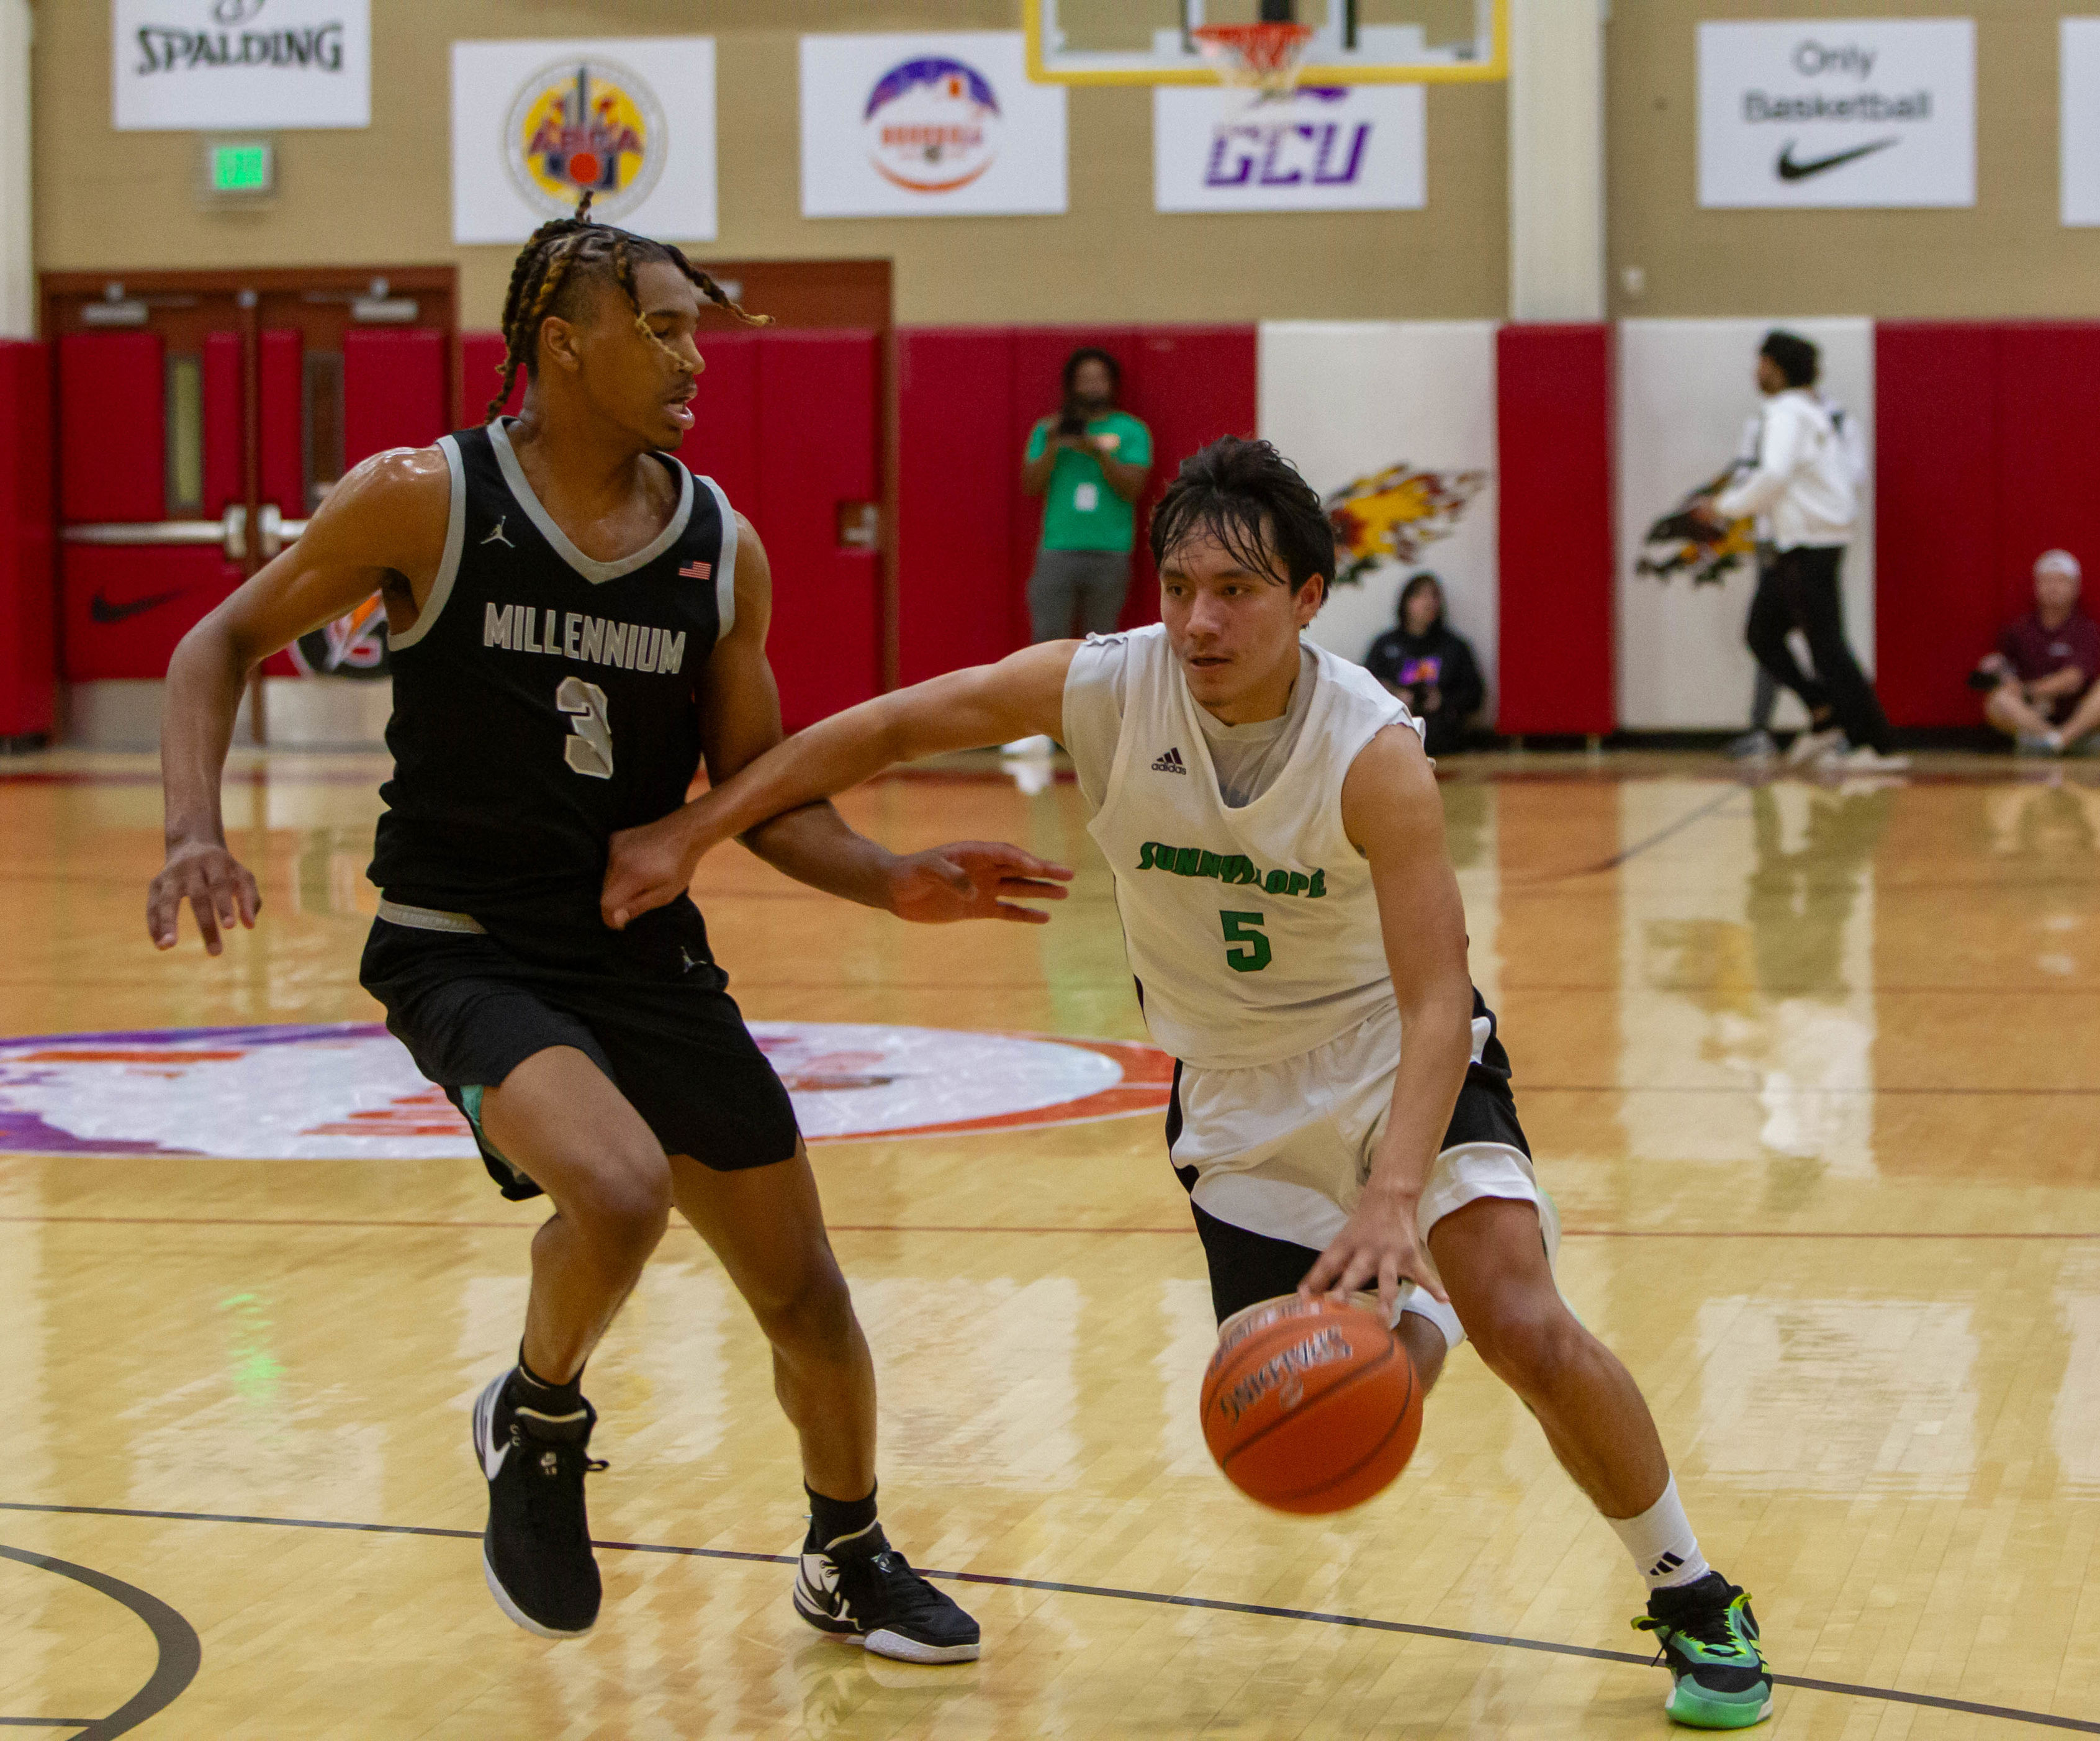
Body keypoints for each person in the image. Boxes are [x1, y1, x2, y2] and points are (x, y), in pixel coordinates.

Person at [602, 436, 1778, 1732]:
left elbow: (1442, 994)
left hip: (1391, 1054)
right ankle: (1422, 1311)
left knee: (1530, 1324)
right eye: (1178, 587)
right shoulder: (1106, 690)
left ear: (1312, 598)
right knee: (1308, 1407)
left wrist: (1394, 1194)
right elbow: (882, 728)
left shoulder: (1372, 748)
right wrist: (692, 833)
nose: (1201, 620)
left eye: (1240, 590)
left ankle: (1692, 1590)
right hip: (1231, 1086)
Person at [143, 197, 1071, 1656]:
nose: (695, 355)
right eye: (663, 326)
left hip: (641, 952)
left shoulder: (719, 549)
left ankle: (846, 1551)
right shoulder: (424, 498)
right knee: (619, 1188)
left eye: (698, 326)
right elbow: (217, 642)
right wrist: (195, 825)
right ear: (561, 345)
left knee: (808, 1298)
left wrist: (884, 873)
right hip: (461, 938)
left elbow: (757, 796)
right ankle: (538, 1406)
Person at [1715, 331, 1901, 772]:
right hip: (1802, 541)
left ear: (1777, 369)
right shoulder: (1811, 411)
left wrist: (1726, 509)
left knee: (1828, 647)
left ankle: (1875, 745)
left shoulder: (1787, 413)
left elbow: (1774, 475)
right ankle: (1823, 715)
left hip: (1810, 543)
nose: (1755, 373)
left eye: (1761, 364)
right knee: (1762, 633)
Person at [1007, 346, 1151, 757]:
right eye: (1084, 378)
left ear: (1112, 384)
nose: (1092, 385)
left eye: (1099, 378)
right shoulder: (1049, 429)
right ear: (1071, 384)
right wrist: (1055, 445)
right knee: (1045, 644)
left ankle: (1093, 733)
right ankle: (1036, 731)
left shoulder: (1131, 430)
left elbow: (1133, 487)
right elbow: (1030, 485)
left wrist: (1099, 451)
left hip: (1110, 551)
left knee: (1102, 646)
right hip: (1058, 549)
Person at [1728, 380, 1865, 764]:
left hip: (1815, 540)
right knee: (1765, 633)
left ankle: (1843, 727)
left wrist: (1808, 506)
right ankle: (1764, 727)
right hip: (1775, 538)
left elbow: (1852, 479)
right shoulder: (1767, 420)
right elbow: (1749, 472)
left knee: (1824, 640)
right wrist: (1748, 503)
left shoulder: (1836, 420)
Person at [1974, 549, 2100, 756]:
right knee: (1996, 701)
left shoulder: (2086, 629)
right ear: (2036, 586)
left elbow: (2074, 678)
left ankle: (2065, 738)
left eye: (2061, 581)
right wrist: (1999, 673)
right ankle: (2049, 739)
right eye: (2047, 581)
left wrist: (2030, 690)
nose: (2053, 588)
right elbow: (2005, 675)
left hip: (2077, 713)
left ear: (2076, 587)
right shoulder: (2019, 630)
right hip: (2034, 714)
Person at [1363, 571, 1485, 752]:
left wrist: (1442, 700)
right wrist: (1395, 696)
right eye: (1420, 595)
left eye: (1434, 596)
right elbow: (1364, 689)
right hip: (1392, 737)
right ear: (1406, 602)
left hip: (1444, 737)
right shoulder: (1385, 645)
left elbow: (1475, 694)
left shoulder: (1454, 646)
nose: (1429, 603)